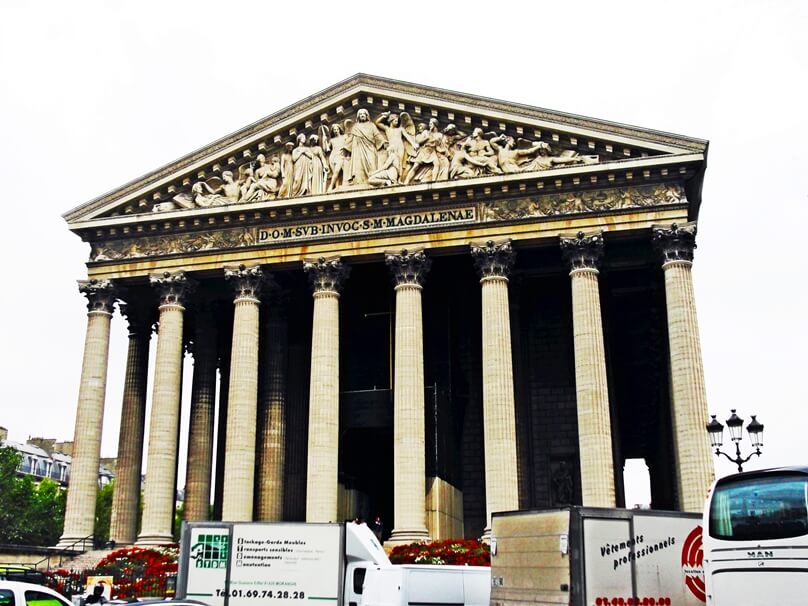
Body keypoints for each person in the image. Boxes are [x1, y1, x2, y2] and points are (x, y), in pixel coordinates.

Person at [345, 108, 385, 186]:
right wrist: (345, 148)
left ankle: (373, 181)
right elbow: (351, 139)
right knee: (358, 167)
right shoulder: (356, 127)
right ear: (358, 116)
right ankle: (358, 182)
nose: (362, 115)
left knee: (372, 165)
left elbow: (377, 135)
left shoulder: (371, 125)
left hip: (370, 149)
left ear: (367, 116)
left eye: (364, 114)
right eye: (360, 114)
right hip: (358, 151)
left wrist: (383, 142)